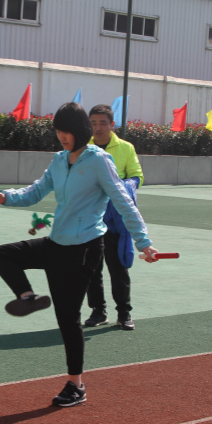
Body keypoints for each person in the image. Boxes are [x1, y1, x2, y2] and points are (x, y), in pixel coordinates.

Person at [0, 102, 158, 407]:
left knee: (68, 318)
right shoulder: (60, 160)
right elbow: (35, 192)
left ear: (80, 130)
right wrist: (5, 197)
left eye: (67, 131)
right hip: (56, 243)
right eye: (58, 131)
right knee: (3, 254)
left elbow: (124, 202)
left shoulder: (99, 160)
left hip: (84, 250)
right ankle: (27, 297)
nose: (62, 136)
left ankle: (76, 385)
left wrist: (144, 243)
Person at [83, 104, 145, 331]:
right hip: (90, 217)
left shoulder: (126, 148)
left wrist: (126, 185)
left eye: (102, 123)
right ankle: (98, 311)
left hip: (116, 219)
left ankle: (124, 313)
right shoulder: (83, 147)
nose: (97, 128)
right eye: (93, 123)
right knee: (91, 268)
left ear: (112, 125)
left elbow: (137, 176)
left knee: (118, 267)